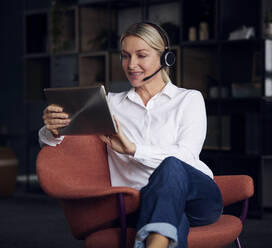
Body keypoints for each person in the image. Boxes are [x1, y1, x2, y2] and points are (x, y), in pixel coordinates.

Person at [39, 22, 223, 248]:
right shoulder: (110, 104)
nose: (131, 64)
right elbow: (58, 141)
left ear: (165, 58)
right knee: (173, 221)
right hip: (140, 204)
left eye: (141, 55)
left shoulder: (189, 99)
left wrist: (133, 150)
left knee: (172, 165)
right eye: (125, 56)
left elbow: (187, 156)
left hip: (197, 198)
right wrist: (52, 128)